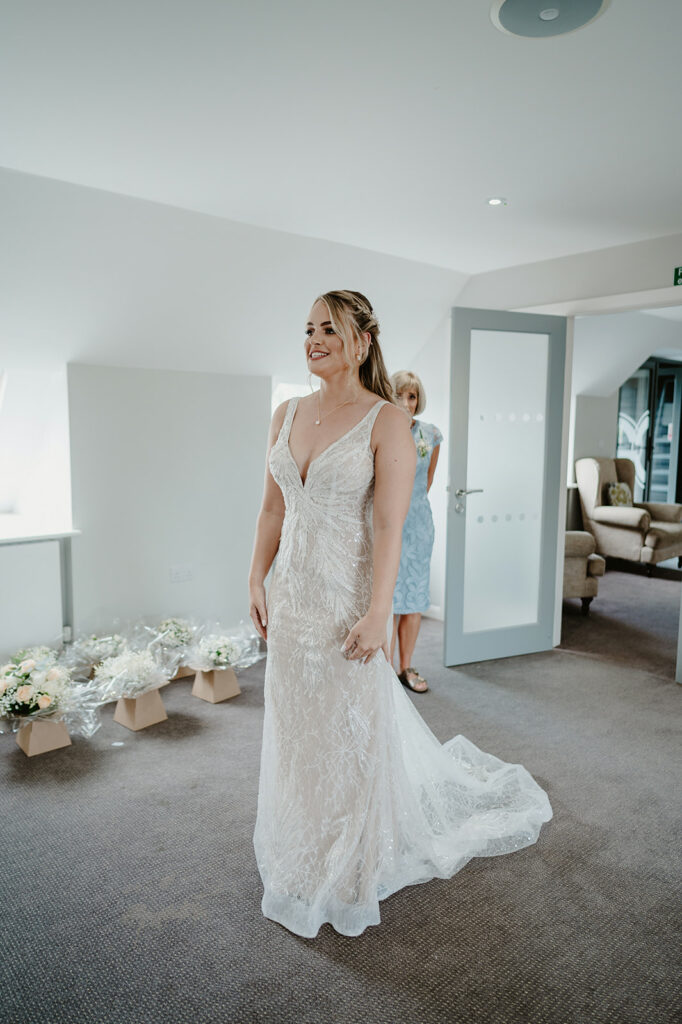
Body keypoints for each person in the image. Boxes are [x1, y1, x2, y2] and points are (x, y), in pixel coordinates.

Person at [249, 290, 552, 939]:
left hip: (346, 605)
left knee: (351, 730)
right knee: (300, 728)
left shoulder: (388, 422)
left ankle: (354, 861)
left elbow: (391, 524)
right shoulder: (285, 413)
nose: (313, 339)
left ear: (361, 339)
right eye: (307, 328)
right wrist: (255, 575)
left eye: (328, 328)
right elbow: (273, 509)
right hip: (293, 603)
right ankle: (303, 838)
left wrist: (380, 609)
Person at [390, 370, 442, 693]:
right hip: (386, 525)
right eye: (400, 395)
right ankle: (380, 671)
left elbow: (426, 482)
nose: (406, 402)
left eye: (412, 396)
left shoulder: (431, 435)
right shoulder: (379, 430)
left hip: (419, 525)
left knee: (413, 600)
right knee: (387, 598)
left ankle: (405, 667)